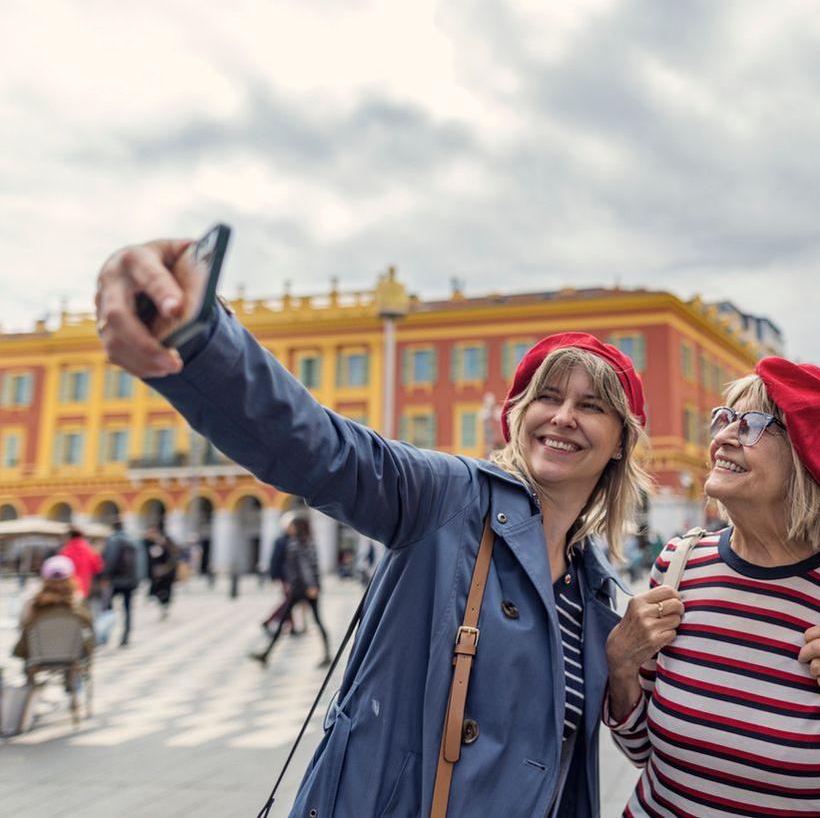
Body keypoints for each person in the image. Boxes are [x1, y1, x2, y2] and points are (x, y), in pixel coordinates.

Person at [95, 237, 653, 817]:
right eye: (549, 397)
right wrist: (199, 337)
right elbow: (320, 446)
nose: (563, 417)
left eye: (591, 406)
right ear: (518, 416)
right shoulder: (449, 498)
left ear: (620, 441)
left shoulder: (594, 590)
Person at [605, 359, 820, 816]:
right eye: (724, 419)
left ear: (808, 457)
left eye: (751, 425)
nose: (723, 437)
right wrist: (621, 667)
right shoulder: (678, 565)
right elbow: (643, 753)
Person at [251, 516, 332, 667]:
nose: (290, 528)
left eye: (292, 526)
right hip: (298, 588)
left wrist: (312, 586)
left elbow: (307, 567)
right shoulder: (297, 542)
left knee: (317, 621)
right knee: (283, 620)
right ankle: (266, 653)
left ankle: (327, 654)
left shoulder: (302, 543)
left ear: (298, 527)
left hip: (306, 589)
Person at [13, 554, 95, 673]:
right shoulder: (78, 601)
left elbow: (22, 624)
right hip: (72, 653)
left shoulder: (32, 602)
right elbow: (90, 626)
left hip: (37, 655)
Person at [101, 519, 142, 646]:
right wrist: (137, 579)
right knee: (128, 609)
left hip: (115, 580)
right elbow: (140, 562)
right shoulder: (133, 541)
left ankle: (106, 635)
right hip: (130, 581)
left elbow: (110, 559)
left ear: (113, 527)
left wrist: (105, 575)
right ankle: (126, 636)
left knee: (108, 608)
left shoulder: (113, 540)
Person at [144, 525, 179, 620]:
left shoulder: (166, 543)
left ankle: (165, 606)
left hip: (167, 572)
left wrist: (165, 568)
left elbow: (173, 557)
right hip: (159, 573)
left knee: (166, 590)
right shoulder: (152, 544)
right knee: (160, 589)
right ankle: (162, 605)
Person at [59, 526, 103, 599]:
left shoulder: (65, 551)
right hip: (86, 587)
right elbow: (98, 568)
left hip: (69, 587)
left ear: (69, 536)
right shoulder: (90, 550)